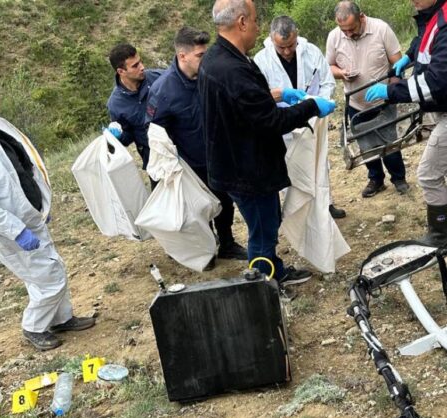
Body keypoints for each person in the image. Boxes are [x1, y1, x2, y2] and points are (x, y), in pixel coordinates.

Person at [199, 0, 336, 285]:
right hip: (248, 168)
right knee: (262, 232)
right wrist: (311, 107)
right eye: (255, 19)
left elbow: (244, 105)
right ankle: (263, 286)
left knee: (268, 220)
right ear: (242, 22)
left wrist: (278, 94)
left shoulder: (218, 58)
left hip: (237, 160)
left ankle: (276, 270)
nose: (258, 25)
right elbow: (270, 122)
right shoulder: (232, 68)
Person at [0, 73, 95, 351]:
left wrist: (40, 206)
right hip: (8, 229)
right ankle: (33, 326)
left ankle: (61, 318)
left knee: (49, 265)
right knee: (48, 276)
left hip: (28, 218)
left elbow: (23, 166)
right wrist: (16, 230)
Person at [363, 0, 447, 247]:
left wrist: (390, 91)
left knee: (429, 174)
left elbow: (434, 83)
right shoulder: (444, 8)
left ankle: (439, 234)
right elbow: (427, 36)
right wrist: (409, 56)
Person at [146, 27, 247, 262]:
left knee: (224, 202)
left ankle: (228, 243)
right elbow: (155, 133)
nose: (206, 60)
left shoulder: (211, 77)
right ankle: (206, 249)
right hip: (190, 164)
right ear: (183, 56)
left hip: (220, 154)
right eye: (200, 56)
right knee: (198, 210)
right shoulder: (164, 91)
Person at [254, 15, 346, 219]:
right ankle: (296, 212)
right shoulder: (261, 60)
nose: (287, 52)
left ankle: (325, 204)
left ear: (297, 37)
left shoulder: (311, 52)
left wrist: (320, 102)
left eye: (291, 46)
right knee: (289, 167)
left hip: (312, 120)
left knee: (319, 163)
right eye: (281, 47)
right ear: (272, 40)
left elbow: (327, 82)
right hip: (283, 123)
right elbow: (258, 97)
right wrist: (282, 98)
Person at [326, 1, 410, 198]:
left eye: (351, 29)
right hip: (355, 102)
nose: (347, 34)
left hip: (382, 100)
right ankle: (376, 179)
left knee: (388, 141)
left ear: (361, 17)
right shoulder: (334, 37)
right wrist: (342, 73)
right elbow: (329, 67)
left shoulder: (381, 29)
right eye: (343, 30)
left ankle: (398, 178)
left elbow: (398, 63)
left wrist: (392, 91)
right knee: (365, 143)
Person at [106, 43, 163, 184]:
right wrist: (116, 137)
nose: (142, 67)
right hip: (154, 159)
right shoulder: (116, 104)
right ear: (121, 71)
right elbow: (127, 137)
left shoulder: (159, 78)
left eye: (140, 62)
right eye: (135, 65)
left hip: (181, 148)